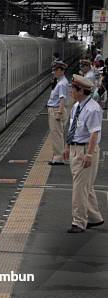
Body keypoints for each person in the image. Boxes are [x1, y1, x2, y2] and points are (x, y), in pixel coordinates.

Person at [63, 75, 104, 233]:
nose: (71, 91)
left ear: (81, 90)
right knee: (85, 186)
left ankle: (78, 222)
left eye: (73, 89)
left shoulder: (93, 109)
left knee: (79, 188)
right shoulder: (77, 106)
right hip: (75, 148)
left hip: (86, 150)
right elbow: (72, 126)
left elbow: (94, 133)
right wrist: (67, 146)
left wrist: (89, 155)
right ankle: (94, 217)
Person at [47, 61, 69, 165]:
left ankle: (58, 157)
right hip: (55, 109)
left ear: (60, 70)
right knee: (56, 133)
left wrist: (59, 113)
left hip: (56, 110)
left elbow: (62, 99)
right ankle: (57, 156)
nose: (53, 72)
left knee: (57, 134)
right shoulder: (59, 81)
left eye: (55, 70)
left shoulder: (62, 83)